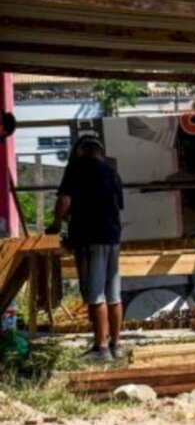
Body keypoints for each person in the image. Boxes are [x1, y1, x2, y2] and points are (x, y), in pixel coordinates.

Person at [46, 135, 124, 362]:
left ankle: (100, 349)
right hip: (112, 239)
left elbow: (64, 202)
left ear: (81, 150)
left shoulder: (77, 168)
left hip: (91, 238)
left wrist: (57, 223)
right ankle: (116, 345)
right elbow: (117, 207)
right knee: (114, 295)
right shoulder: (112, 172)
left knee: (95, 294)